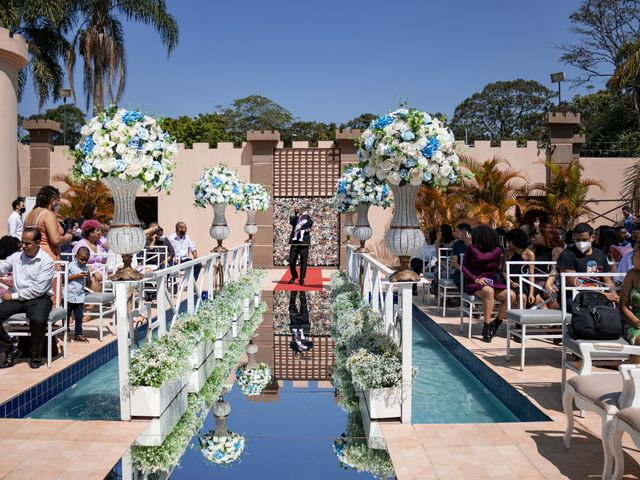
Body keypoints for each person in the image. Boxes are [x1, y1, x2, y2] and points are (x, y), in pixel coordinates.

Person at [0, 228, 55, 369]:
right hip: (17, 298)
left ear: (37, 242)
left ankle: (35, 354)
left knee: (38, 319)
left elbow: (38, 290)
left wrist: (11, 295)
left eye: (27, 243)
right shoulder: (16, 256)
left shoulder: (46, 261)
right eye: (22, 242)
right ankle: (10, 348)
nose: (23, 246)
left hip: (39, 298)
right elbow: (3, 266)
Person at [461, 225, 513, 343]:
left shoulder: (497, 250)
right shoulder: (471, 249)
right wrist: (475, 279)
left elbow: (481, 258)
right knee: (488, 291)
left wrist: (470, 245)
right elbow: (464, 268)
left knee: (511, 295)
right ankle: (487, 324)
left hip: (492, 282)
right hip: (475, 283)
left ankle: (497, 322)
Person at [547, 222, 617, 305]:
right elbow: (573, 283)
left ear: (592, 238)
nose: (581, 243)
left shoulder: (600, 254)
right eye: (578, 240)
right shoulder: (567, 254)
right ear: (574, 238)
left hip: (600, 296)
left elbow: (607, 280)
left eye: (584, 240)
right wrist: (604, 295)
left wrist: (614, 294)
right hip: (575, 297)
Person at [24, 186, 75, 262]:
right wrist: (69, 236)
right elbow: (56, 240)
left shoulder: (29, 214)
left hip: (30, 257)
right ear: (52, 200)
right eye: (58, 201)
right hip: (47, 258)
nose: (58, 205)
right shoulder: (48, 214)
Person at [504, 228, 536, 307]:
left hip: (523, 283)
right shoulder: (508, 253)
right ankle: (511, 317)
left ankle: (518, 318)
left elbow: (531, 275)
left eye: (509, 241)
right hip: (509, 281)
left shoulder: (529, 254)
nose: (508, 244)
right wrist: (510, 282)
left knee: (523, 297)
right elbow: (503, 271)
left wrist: (531, 293)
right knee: (521, 297)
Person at [72, 220, 106, 292]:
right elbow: (76, 262)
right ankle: (95, 302)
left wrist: (106, 242)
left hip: (104, 270)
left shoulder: (101, 242)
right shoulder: (81, 245)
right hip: (87, 271)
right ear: (91, 233)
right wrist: (94, 272)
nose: (100, 232)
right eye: (98, 230)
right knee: (95, 281)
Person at [619, 247, 640, 358]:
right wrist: (636, 322)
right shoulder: (632, 275)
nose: (631, 257)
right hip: (635, 323)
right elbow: (623, 306)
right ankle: (636, 374)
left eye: (635, 253)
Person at [67, 247, 91, 342]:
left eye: (86, 260)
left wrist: (88, 277)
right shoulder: (71, 266)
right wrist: (76, 276)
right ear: (76, 256)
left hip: (80, 296)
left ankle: (78, 334)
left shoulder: (86, 268)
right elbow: (64, 279)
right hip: (69, 295)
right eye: (82, 259)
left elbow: (89, 284)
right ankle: (66, 332)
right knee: (67, 316)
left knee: (79, 317)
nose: (84, 262)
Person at [288, 205, 313, 286]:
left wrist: (301, 227)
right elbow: (292, 223)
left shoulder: (307, 217)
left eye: (300, 209)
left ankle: (301, 279)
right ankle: (294, 275)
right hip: (295, 243)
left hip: (304, 243)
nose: (298, 210)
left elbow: (310, 223)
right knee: (291, 261)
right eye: (297, 209)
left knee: (303, 262)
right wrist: (297, 216)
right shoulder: (294, 217)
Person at [410, 228, 437, 295]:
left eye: (427, 233)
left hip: (429, 263)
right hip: (419, 262)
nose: (425, 235)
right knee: (416, 263)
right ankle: (414, 287)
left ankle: (415, 288)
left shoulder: (435, 245)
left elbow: (435, 258)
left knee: (434, 266)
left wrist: (428, 266)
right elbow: (415, 254)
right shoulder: (422, 243)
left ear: (431, 235)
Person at [450, 223, 472, 291]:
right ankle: (464, 298)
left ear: (465, 233)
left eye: (458, 232)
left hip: (474, 270)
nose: (456, 234)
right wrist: (464, 270)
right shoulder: (457, 244)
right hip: (460, 270)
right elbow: (454, 262)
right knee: (460, 278)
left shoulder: (475, 244)